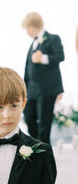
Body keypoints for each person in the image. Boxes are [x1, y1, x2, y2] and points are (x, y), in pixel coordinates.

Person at [21, 12, 64, 143]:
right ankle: (36, 145)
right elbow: (27, 68)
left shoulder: (53, 38)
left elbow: (60, 56)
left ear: (32, 26)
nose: (26, 32)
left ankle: (44, 153)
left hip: (47, 89)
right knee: (28, 116)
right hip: (31, 89)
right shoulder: (33, 43)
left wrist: (43, 58)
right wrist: (24, 88)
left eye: (27, 28)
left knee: (45, 123)